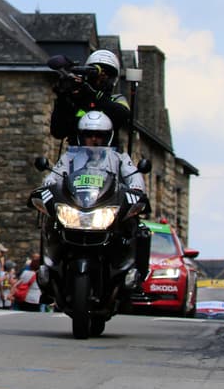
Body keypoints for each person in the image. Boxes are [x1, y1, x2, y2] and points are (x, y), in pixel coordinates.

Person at [34, 110, 148, 299]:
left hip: (107, 212)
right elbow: (53, 177)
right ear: (81, 136)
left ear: (108, 136)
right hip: (76, 209)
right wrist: (46, 187)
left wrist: (136, 191)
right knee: (50, 224)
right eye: (89, 135)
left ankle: (131, 276)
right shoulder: (69, 158)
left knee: (137, 229)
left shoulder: (119, 158)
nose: (94, 139)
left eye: (99, 135)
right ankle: (49, 272)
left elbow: (134, 177)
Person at [49, 49, 131, 145]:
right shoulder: (76, 100)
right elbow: (58, 132)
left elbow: (123, 116)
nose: (100, 80)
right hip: (76, 157)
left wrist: (93, 95)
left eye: (105, 75)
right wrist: (62, 99)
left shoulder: (117, 99)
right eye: (96, 75)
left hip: (108, 157)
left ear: (112, 78)